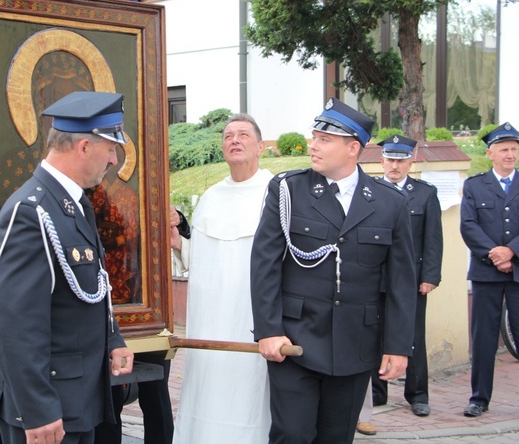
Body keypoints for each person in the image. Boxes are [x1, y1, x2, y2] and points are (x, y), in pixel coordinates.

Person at [250, 98, 417, 443]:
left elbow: (401, 281)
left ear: (353, 147)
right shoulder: (289, 190)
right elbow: (264, 263)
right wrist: (268, 329)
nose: (313, 145)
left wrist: (398, 346)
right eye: (314, 137)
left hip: (355, 344)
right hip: (294, 342)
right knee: (291, 435)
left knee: (336, 437)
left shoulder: (390, 202)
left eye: (324, 139)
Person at [0, 91, 135, 444]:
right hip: (47, 408)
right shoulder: (31, 211)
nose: (113, 160)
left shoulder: (72, 203)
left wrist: (114, 339)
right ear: (83, 147)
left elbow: (91, 287)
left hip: (75, 398)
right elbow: (16, 323)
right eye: (110, 149)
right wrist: (37, 410)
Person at [171, 113, 273, 443]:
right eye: (228, 136)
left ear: (260, 147)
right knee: (208, 385)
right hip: (210, 319)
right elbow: (200, 256)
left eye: (243, 135)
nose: (234, 140)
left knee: (248, 392)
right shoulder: (212, 196)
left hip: (250, 315)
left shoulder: (276, 193)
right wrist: (179, 244)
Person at [372, 134, 443, 417]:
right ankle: (378, 393)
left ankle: (417, 394)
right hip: (376, 277)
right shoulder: (372, 191)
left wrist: (430, 276)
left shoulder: (425, 194)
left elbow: (433, 239)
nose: (395, 166)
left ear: (410, 162)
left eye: (401, 160)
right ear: (381, 161)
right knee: (375, 336)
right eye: (390, 160)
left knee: (413, 336)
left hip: (412, 279)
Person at [460, 122, 519, 418]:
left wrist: (512, 251)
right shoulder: (474, 185)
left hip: (518, 272)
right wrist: (495, 254)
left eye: (514, 149)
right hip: (486, 274)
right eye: (504, 149)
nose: (510, 155)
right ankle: (479, 398)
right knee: (483, 339)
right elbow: (468, 226)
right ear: (490, 153)